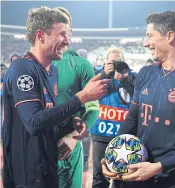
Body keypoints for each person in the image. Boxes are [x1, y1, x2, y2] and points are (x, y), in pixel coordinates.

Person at [101, 11, 175, 188]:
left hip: (171, 178)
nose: (146, 42)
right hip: (135, 172)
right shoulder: (145, 73)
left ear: (169, 36)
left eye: (149, 36)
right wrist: (112, 154)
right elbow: (132, 120)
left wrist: (158, 167)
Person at [1, 7, 108, 188]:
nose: (68, 41)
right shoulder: (22, 69)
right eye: (61, 34)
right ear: (41, 36)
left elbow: (47, 112)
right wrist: (81, 97)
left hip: (47, 167)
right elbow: (34, 122)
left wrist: (72, 119)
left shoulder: (51, 71)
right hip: (27, 175)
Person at [52, 7, 99, 188]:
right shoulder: (31, 63)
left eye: (64, 29)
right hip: (36, 148)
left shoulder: (81, 65)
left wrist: (74, 137)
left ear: (70, 32)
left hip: (67, 149)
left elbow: (93, 109)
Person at [90, 48, 136, 188]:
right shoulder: (98, 74)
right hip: (101, 133)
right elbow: (88, 90)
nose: (115, 65)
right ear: (105, 62)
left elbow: (138, 95)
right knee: (99, 177)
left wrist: (124, 79)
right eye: (112, 62)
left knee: (123, 178)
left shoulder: (132, 76)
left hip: (123, 136)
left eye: (118, 62)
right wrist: (105, 73)